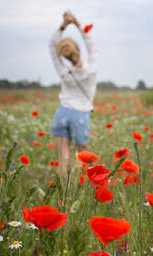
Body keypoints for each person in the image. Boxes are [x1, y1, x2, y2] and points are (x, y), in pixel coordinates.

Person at [49, 11, 97, 177]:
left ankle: (63, 192)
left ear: (64, 55)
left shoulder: (64, 72)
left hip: (63, 112)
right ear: (77, 49)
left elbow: (51, 48)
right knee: (81, 157)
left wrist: (63, 26)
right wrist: (77, 23)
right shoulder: (92, 70)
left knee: (63, 158)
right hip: (81, 114)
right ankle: (77, 189)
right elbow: (91, 45)